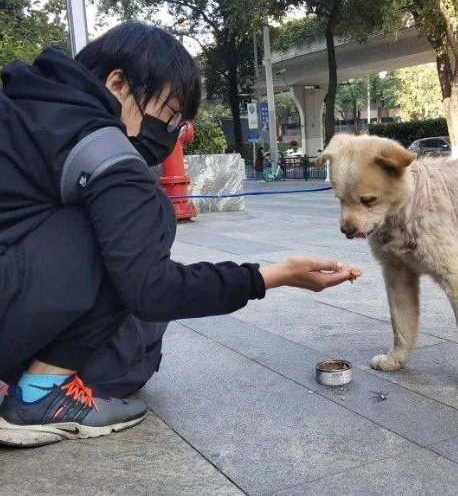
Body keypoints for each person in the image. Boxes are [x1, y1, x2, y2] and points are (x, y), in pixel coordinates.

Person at [0, 22, 360, 447]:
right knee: (144, 229)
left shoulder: (22, 103)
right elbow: (151, 289)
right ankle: (39, 396)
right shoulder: (101, 148)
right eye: (168, 115)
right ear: (117, 83)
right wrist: (273, 275)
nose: (169, 134)